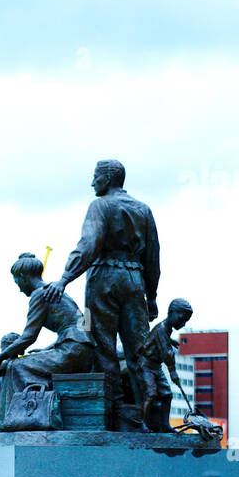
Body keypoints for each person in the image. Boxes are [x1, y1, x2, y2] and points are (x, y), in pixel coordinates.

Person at [43, 159, 160, 431]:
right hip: (135, 280)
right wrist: (151, 295)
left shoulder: (99, 206)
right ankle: (147, 418)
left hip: (102, 279)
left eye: (95, 177)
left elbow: (89, 244)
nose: (92, 182)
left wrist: (64, 279)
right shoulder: (143, 209)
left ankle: (111, 415)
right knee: (139, 350)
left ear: (107, 179)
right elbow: (153, 256)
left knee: (100, 344)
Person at [0, 253, 95, 422]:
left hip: (72, 352)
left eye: (17, 281)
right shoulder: (56, 292)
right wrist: (48, 349)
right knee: (24, 361)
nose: (18, 288)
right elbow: (76, 328)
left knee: (15, 366)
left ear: (23, 277)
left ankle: (15, 420)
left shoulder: (39, 294)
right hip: (81, 351)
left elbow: (28, 337)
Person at [140, 298, 194, 432]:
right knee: (151, 394)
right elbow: (167, 353)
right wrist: (173, 372)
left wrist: (171, 341)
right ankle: (142, 424)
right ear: (171, 313)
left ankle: (164, 425)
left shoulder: (166, 329)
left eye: (185, 321)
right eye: (182, 319)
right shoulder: (162, 329)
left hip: (156, 367)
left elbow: (163, 341)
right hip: (146, 366)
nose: (183, 323)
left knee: (167, 394)